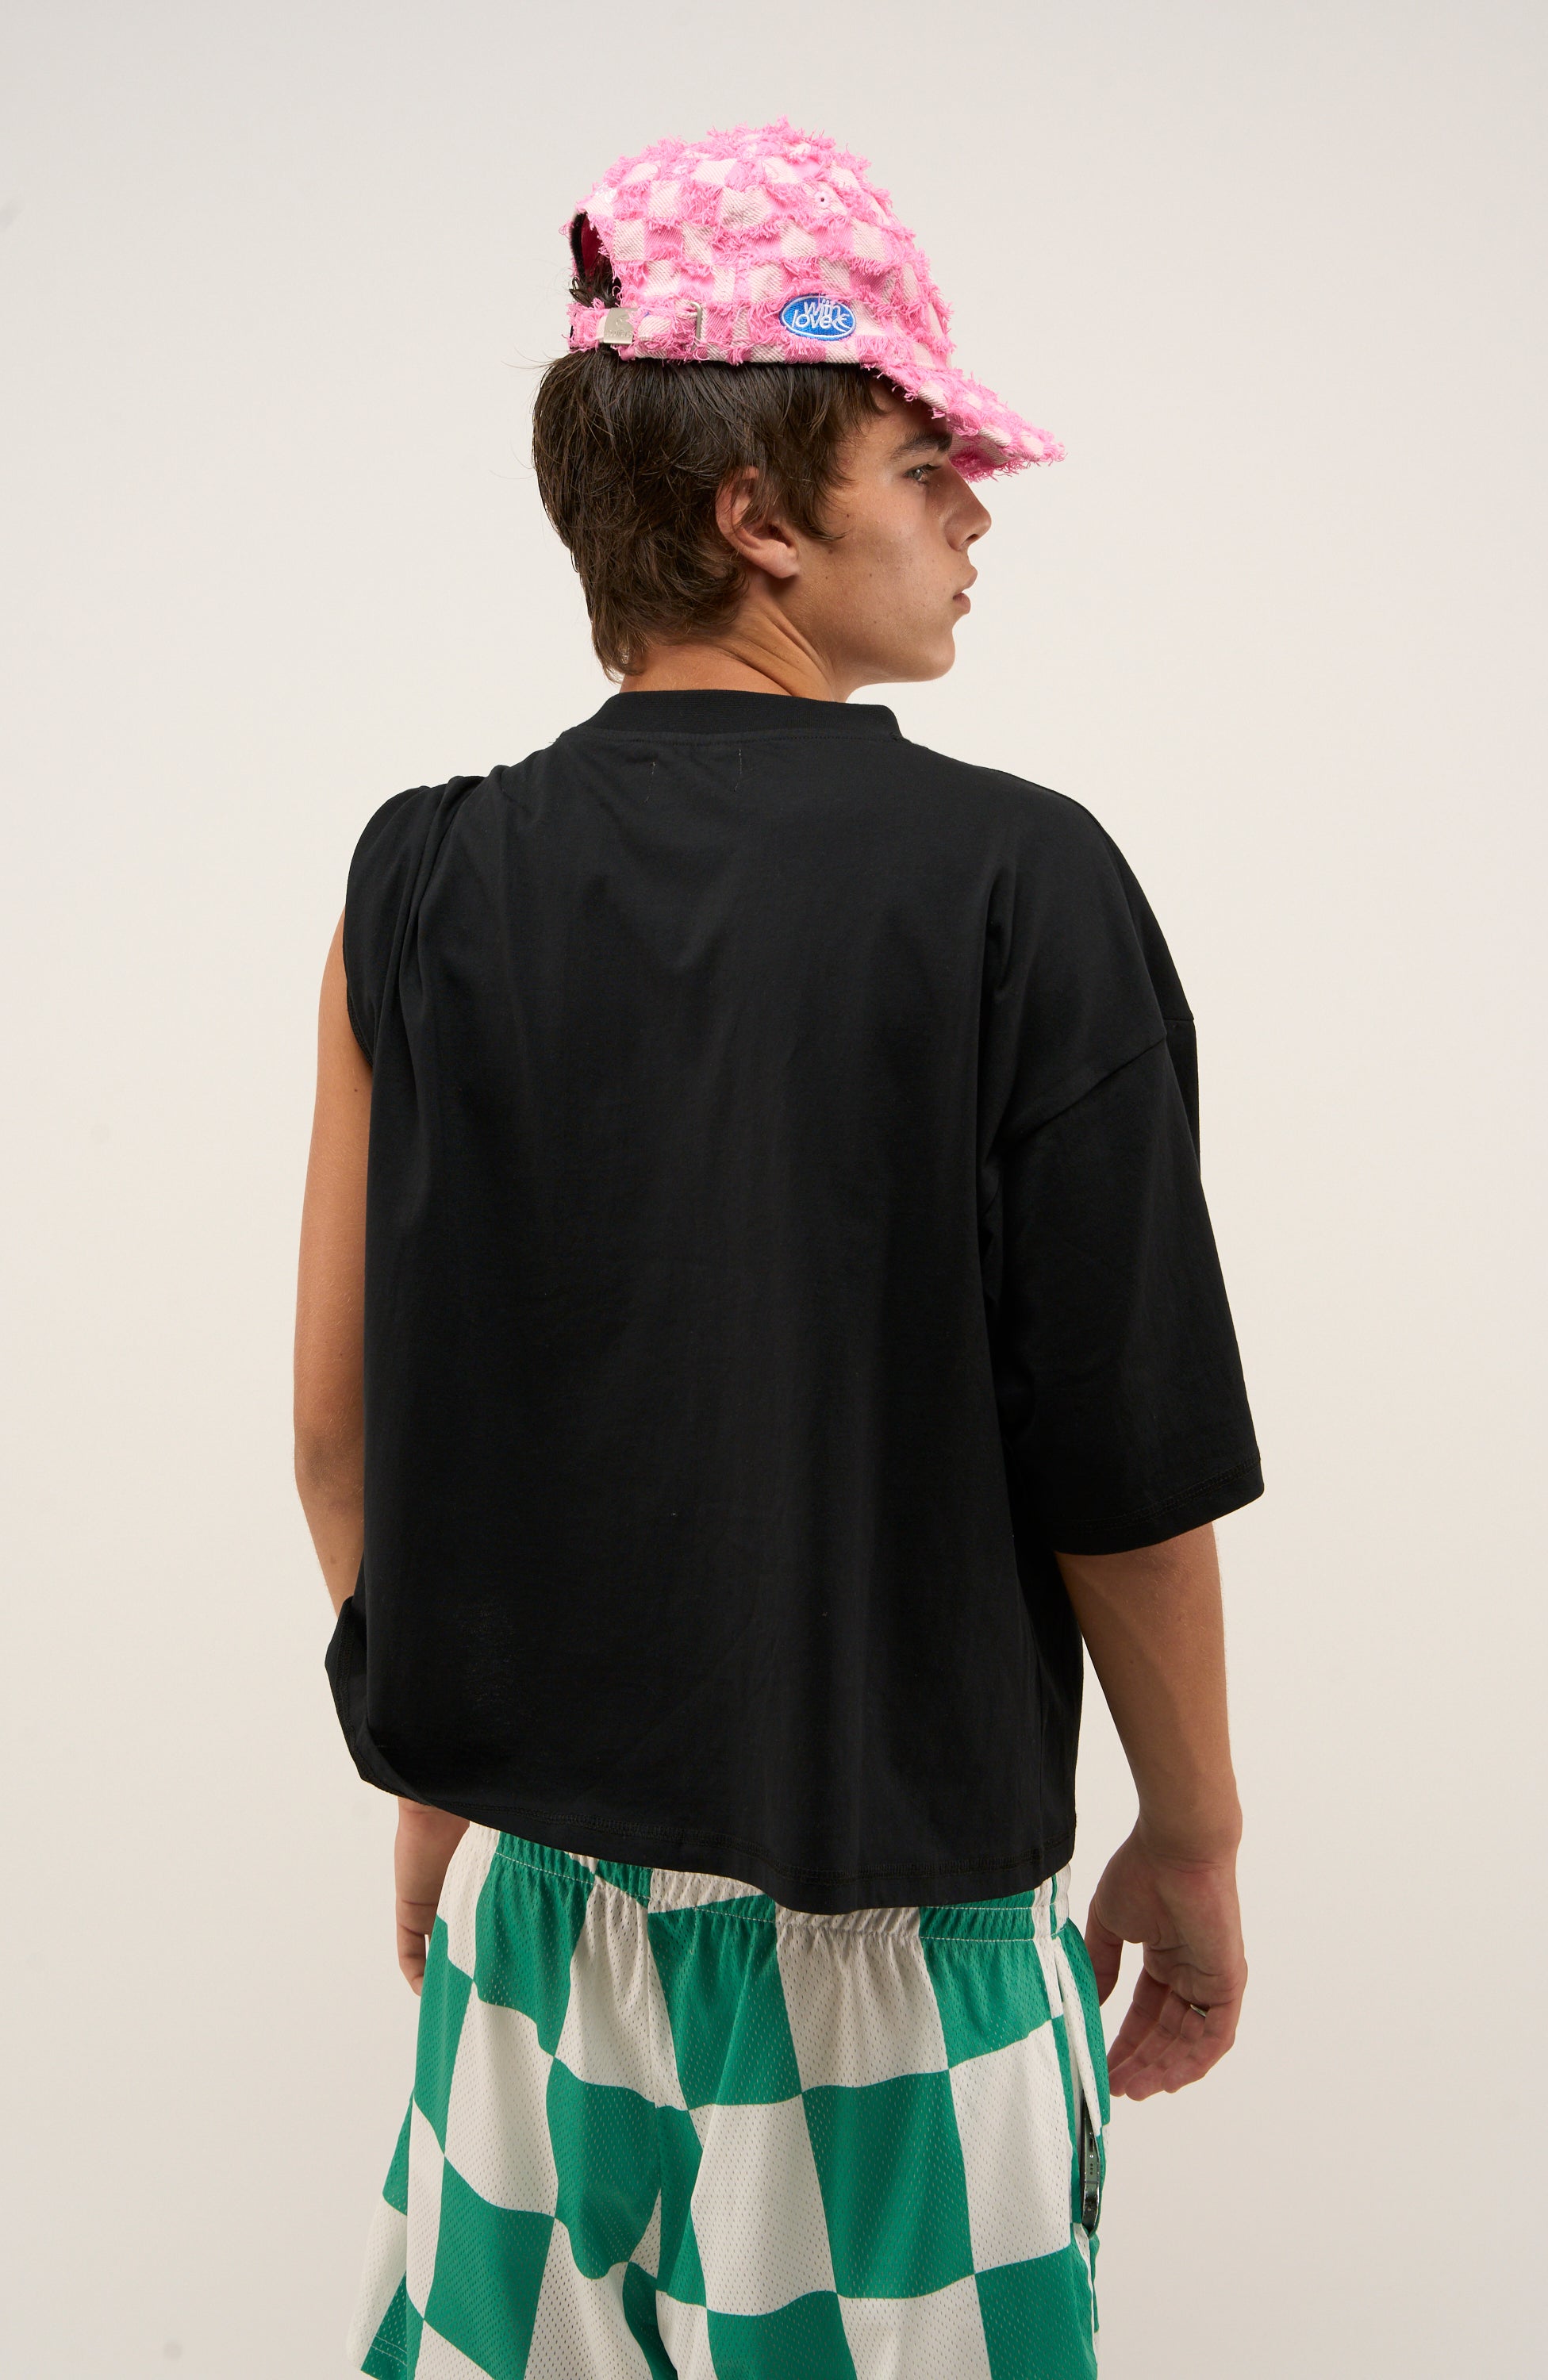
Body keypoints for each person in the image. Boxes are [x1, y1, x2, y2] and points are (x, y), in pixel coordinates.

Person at [294, 119, 1262, 2380]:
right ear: (757, 515)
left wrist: (451, 1784)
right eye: (925, 465)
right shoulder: (1020, 887)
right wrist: (1194, 1841)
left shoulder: (413, 884)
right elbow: (1123, 1467)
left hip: (534, 1942)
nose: (973, 514)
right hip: (890, 1977)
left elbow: (348, 1433)